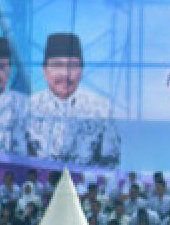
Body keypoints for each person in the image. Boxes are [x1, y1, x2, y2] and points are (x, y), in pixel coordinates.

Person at [27, 33, 121, 168]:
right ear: (45, 70)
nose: (65, 73)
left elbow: (110, 163)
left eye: (73, 66)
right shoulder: (27, 108)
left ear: (82, 70)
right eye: (57, 65)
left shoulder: (101, 109)